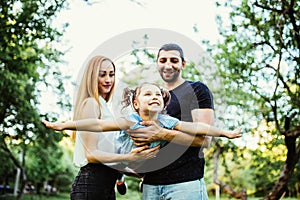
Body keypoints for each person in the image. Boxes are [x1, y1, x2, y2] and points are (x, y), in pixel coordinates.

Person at [42, 82, 241, 164]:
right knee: (122, 159)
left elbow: (198, 128)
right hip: (124, 154)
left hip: (146, 161)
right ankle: (121, 177)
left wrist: (225, 133)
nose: (154, 96)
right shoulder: (131, 121)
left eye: (158, 94)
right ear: (136, 104)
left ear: (163, 103)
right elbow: (99, 125)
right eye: (148, 94)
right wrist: (65, 125)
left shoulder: (167, 121)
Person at [127, 43, 216, 200]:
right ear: (157, 64)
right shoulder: (153, 96)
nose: (168, 65)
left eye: (174, 60)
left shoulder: (197, 90)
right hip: (150, 185)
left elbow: (205, 139)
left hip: (185, 185)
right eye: (163, 60)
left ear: (183, 64)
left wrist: (161, 134)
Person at [63, 55, 159, 200]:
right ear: (92, 77)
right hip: (91, 187)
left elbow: (108, 160)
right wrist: (129, 156)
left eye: (111, 74)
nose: (108, 80)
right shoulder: (91, 103)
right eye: (102, 75)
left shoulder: (103, 106)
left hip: (105, 187)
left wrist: (140, 173)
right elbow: (92, 155)